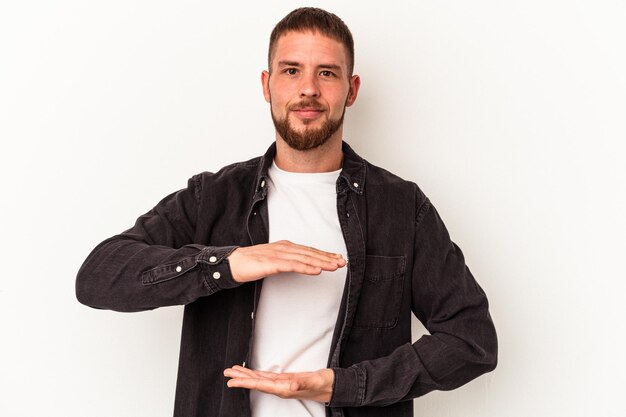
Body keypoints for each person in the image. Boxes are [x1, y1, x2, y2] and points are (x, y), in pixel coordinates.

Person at [76, 7, 497, 417]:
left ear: (351, 90)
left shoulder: (402, 207)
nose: (308, 89)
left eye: (326, 73)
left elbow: (471, 339)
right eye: (291, 70)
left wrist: (345, 385)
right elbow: (98, 277)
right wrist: (229, 264)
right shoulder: (214, 197)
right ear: (267, 84)